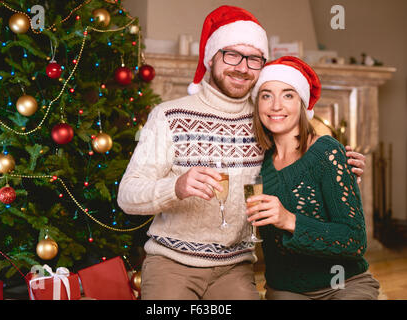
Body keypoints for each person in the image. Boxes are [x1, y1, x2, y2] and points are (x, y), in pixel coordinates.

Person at [118, 6, 366, 300]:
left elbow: (301, 159)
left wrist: (340, 167)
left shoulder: (265, 118)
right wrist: (176, 187)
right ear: (211, 57)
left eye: (253, 59)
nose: (242, 67)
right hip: (172, 263)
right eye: (231, 54)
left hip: (234, 266)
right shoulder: (168, 116)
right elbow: (127, 196)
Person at [246, 56, 380, 300]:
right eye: (266, 95)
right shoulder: (256, 165)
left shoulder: (325, 152)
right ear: (257, 105)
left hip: (344, 283)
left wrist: (289, 220)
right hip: (287, 288)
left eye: (288, 95)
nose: (276, 106)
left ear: (302, 103)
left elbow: (355, 241)